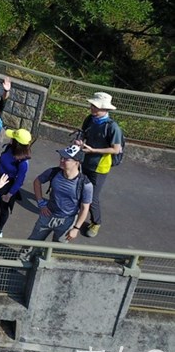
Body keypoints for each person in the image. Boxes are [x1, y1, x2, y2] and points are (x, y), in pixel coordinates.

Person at [18, 145, 93, 262]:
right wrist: (41, 203)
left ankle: (45, 266)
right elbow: (37, 181)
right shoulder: (54, 172)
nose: (61, 160)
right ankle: (21, 262)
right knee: (32, 243)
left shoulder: (85, 184)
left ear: (77, 162)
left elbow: (85, 208)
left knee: (57, 249)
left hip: (67, 221)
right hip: (47, 215)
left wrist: (76, 228)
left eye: (66, 159)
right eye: (61, 157)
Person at [74, 92, 123, 238]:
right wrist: (80, 141)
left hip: (100, 166)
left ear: (105, 109)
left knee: (92, 197)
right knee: (80, 188)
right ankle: (77, 214)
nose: (92, 108)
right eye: (92, 105)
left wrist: (93, 150)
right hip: (86, 161)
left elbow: (115, 149)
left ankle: (96, 222)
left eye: (96, 106)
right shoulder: (90, 119)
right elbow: (83, 133)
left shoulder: (113, 127)